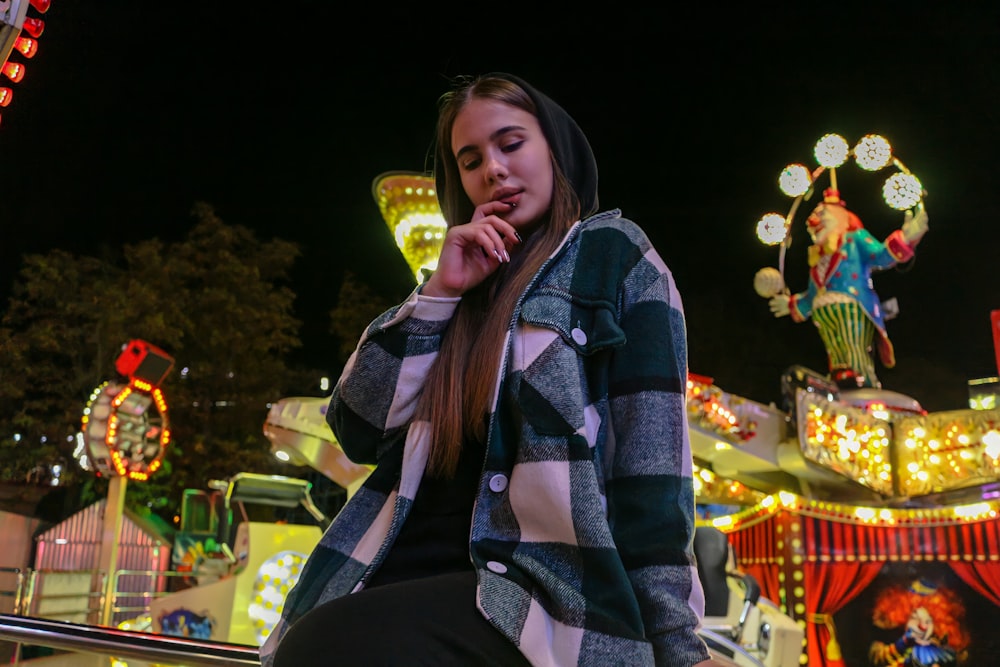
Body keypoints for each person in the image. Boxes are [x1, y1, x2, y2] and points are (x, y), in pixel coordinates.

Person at [260, 72, 725, 667]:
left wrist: (677, 647)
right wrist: (439, 292)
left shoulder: (613, 253)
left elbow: (651, 467)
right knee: (315, 644)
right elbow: (356, 427)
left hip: (535, 596)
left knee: (326, 647)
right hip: (391, 569)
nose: (494, 170)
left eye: (512, 144)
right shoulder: (459, 286)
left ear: (555, 148)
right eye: (470, 159)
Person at [767, 188, 928, 390]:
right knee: (835, 352)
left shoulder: (854, 238)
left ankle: (863, 384)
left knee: (854, 348)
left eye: (821, 213)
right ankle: (839, 384)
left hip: (852, 304)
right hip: (823, 312)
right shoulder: (817, 258)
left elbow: (880, 256)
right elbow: (813, 292)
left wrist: (905, 240)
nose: (814, 220)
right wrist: (792, 304)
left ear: (839, 217)